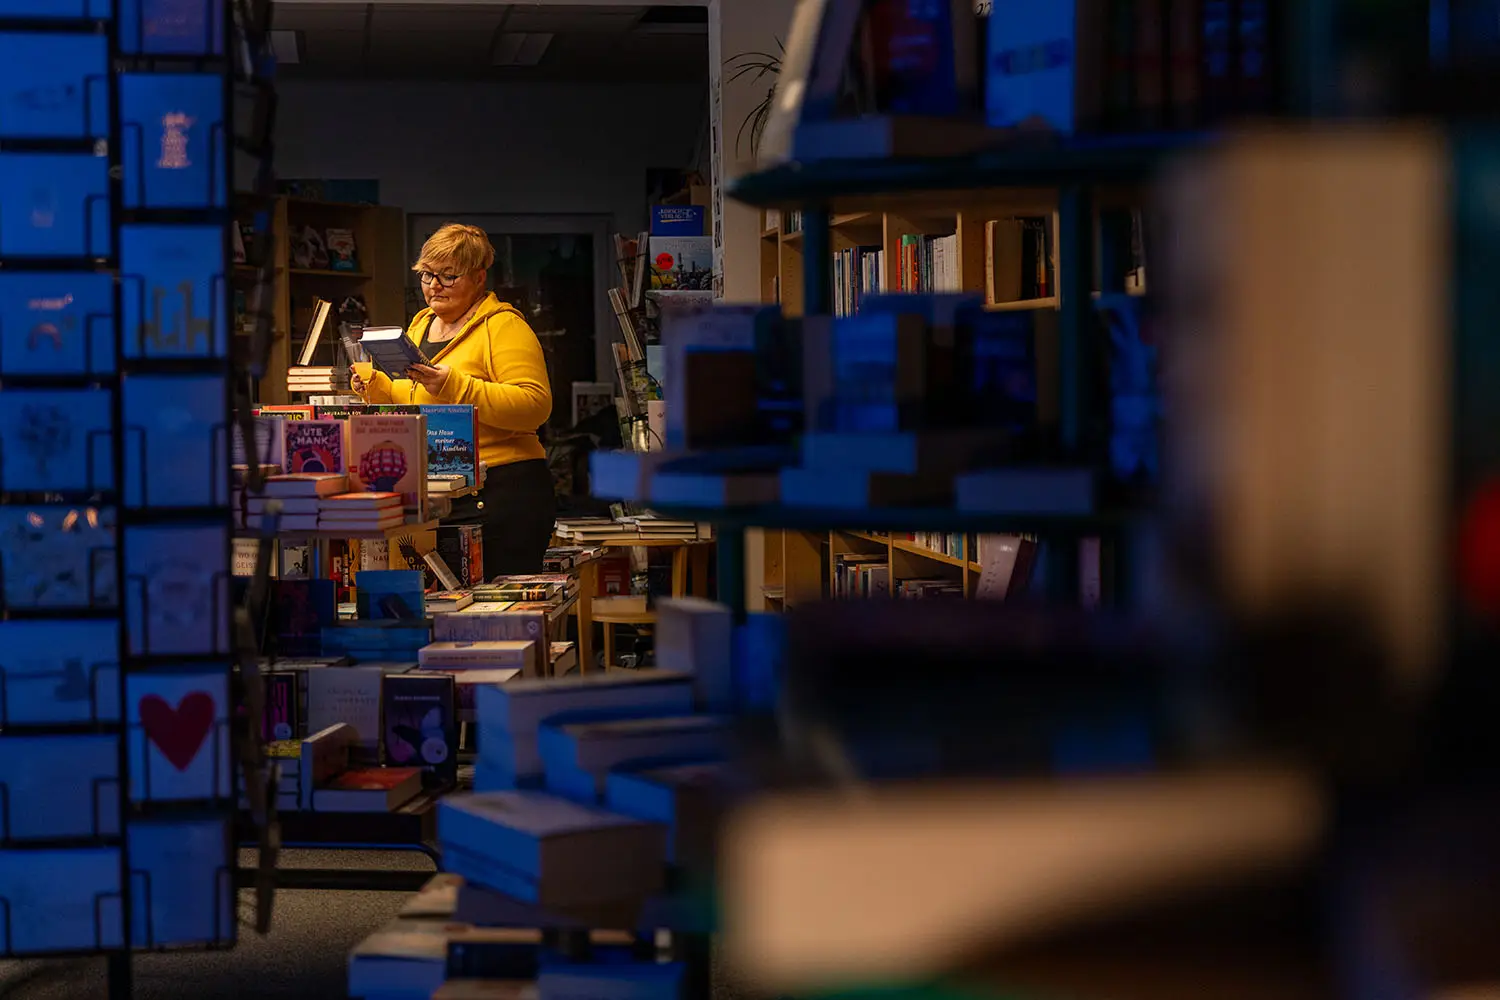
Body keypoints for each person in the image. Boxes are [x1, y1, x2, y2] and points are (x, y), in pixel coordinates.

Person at [351, 223, 555, 578]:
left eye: (448, 276)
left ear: (479, 278)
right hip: (442, 492)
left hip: (502, 491)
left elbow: (534, 405)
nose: (434, 286)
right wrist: (379, 388)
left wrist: (456, 385)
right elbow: (419, 397)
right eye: (427, 275)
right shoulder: (419, 326)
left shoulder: (504, 326)